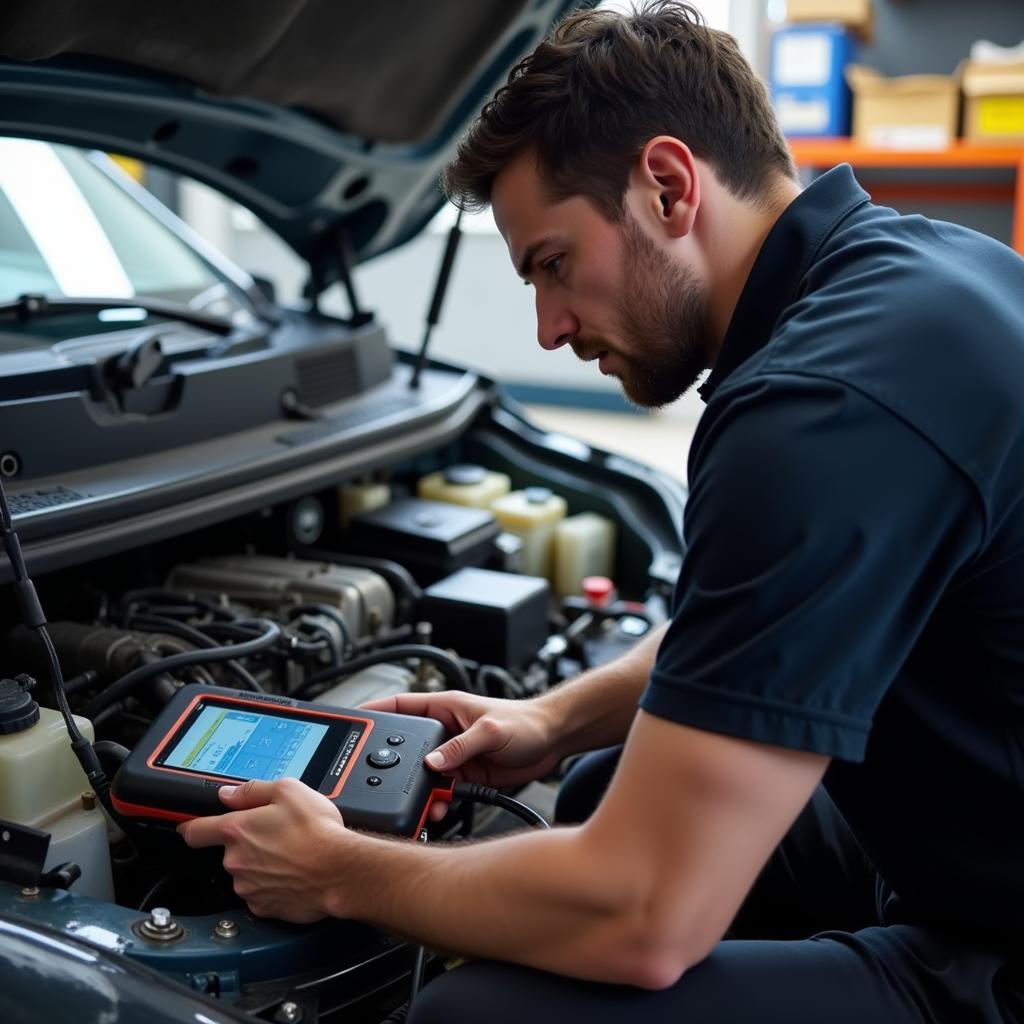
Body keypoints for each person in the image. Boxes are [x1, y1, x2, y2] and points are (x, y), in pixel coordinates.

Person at [180, 3, 1024, 1021]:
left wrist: (338, 871)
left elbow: (643, 917)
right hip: (979, 819)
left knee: (472, 1015)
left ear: (667, 186)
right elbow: (757, 617)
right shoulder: (917, 276)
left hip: (991, 944)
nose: (545, 329)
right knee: (587, 789)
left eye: (551, 264)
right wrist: (551, 716)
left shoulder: (815, 412)